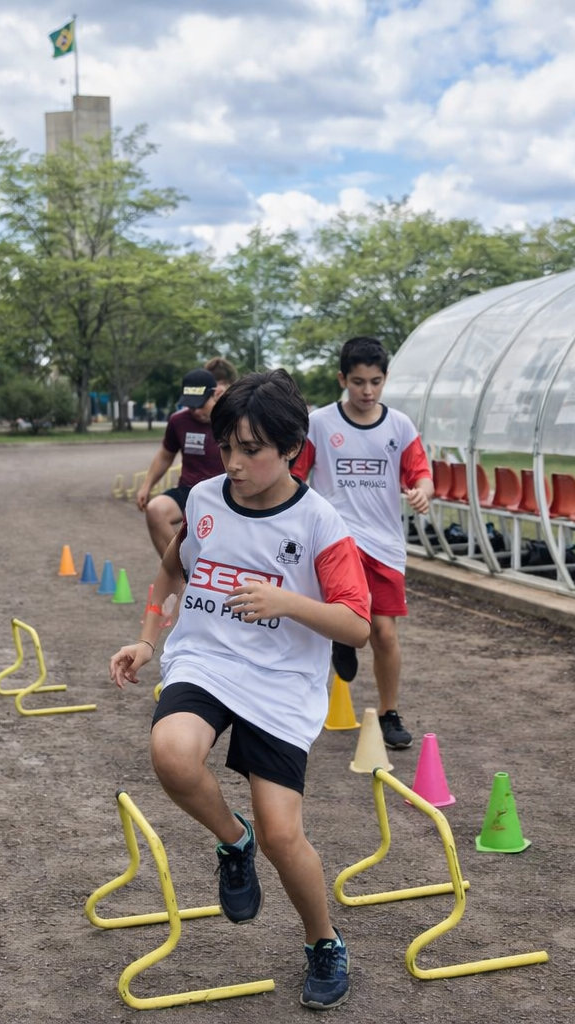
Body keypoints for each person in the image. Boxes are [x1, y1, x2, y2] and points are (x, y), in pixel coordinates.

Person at [109, 369, 370, 1010]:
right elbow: (171, 569)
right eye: (227, 447)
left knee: (285, 836)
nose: (235, 462)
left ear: (290, 448)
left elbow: (357, 626)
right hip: (206, 660)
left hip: (281, 682)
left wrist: (287, 601)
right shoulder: (203, 501)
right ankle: (233, 841)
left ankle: (324, 942)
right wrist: (147, 638)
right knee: (171, 752)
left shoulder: (319, 523)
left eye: (250, 449)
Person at [291, 336, 434, 751]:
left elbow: (420, 473)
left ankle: (389, 713)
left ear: (386, 379)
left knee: (384, 634)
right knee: (330, 621)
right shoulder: (319, 422)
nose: (367, 391)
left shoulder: (400, 426)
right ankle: (303, 702)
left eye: (375, 382)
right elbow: (297, 476)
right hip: (337, 540)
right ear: (342, 379)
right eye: (358, 382)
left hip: (385, 545)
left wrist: (423, 490)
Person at [135, 368, 227, 556]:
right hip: (189, 491)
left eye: (201, 404)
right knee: (155, 510)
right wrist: (146, 486)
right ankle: (179, 572)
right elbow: (165, 455)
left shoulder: (231, 420)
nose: (196, 411)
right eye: (191, 406)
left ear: (216, 393)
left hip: (225, 494)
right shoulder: (178, 421)